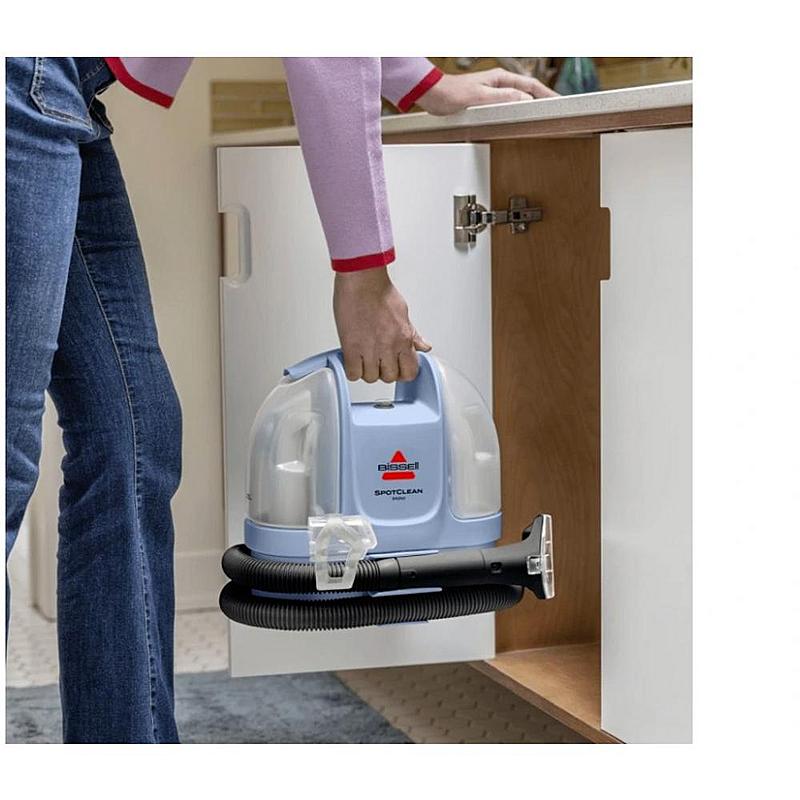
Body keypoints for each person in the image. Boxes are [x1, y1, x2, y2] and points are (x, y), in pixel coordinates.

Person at [5, 57, 557, 743]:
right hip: (23, 81)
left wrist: (425, 84)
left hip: (58, 95)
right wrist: (364, 275)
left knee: (132, 437)